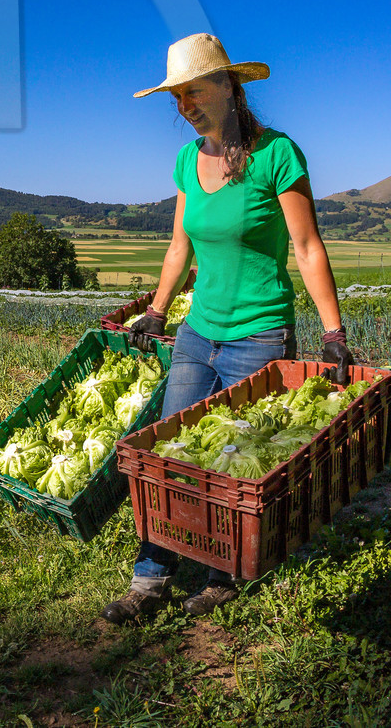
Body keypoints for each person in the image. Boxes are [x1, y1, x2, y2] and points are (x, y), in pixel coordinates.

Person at [101, 33, 352, 624]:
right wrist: (158, 311)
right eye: (176, 96)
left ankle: (223, 573)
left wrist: (334, 332)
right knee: (167, 452)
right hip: (197, 332)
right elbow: (179, 246)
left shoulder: (276, 154)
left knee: (234, 458)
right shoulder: (189, 161)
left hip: (259, 336)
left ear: (229, 86)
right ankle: (150, 579)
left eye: (194, 90)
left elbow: (307, 246)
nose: (185, 104)